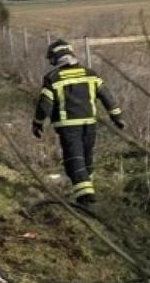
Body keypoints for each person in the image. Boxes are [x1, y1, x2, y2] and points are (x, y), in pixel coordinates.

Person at [32, 39, 125, 205]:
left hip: (68, 126)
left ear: (55, 58)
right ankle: (86, 189)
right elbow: (107, 97)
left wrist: (37, 122)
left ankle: (86, 196)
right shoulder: (91, 74)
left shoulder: (52, 78)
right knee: (86, 156)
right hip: (90, 124)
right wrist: (117, 117)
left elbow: (45, 104)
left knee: (74, 158)